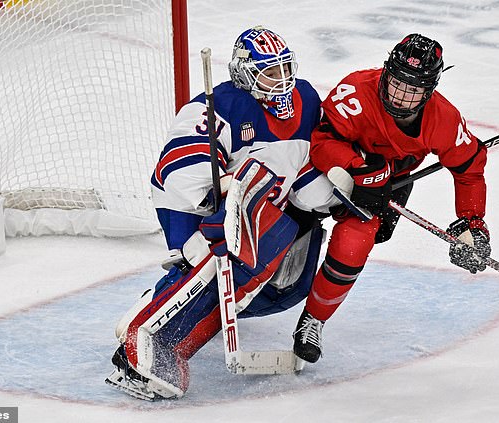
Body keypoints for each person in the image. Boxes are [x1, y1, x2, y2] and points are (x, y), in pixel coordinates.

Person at [105, 26, 340, 400]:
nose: (281, 81)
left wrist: (338, 191)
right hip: (191, 209)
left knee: (287, 283)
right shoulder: (215, 105)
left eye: (285, 69)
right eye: (270, 72)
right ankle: (147, 339)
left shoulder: (307, 98)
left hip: (262, 207)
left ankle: (173, 301)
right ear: (246, 72)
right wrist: (223, 186)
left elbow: (310, 161)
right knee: (211, 261)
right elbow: (177, 171)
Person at [292, 33, 491, 366]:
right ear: (386, 71)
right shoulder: (355, 92)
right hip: (333, 171)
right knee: (285, 226)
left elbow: (470, 171)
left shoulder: (444, 119)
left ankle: (314, 319)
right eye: (397, 82)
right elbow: (321, 139)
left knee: (353, 247)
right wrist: (356, 167)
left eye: (413, 90)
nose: (400, 96)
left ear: (430, 91)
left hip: (388, 185)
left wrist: (473, 223)